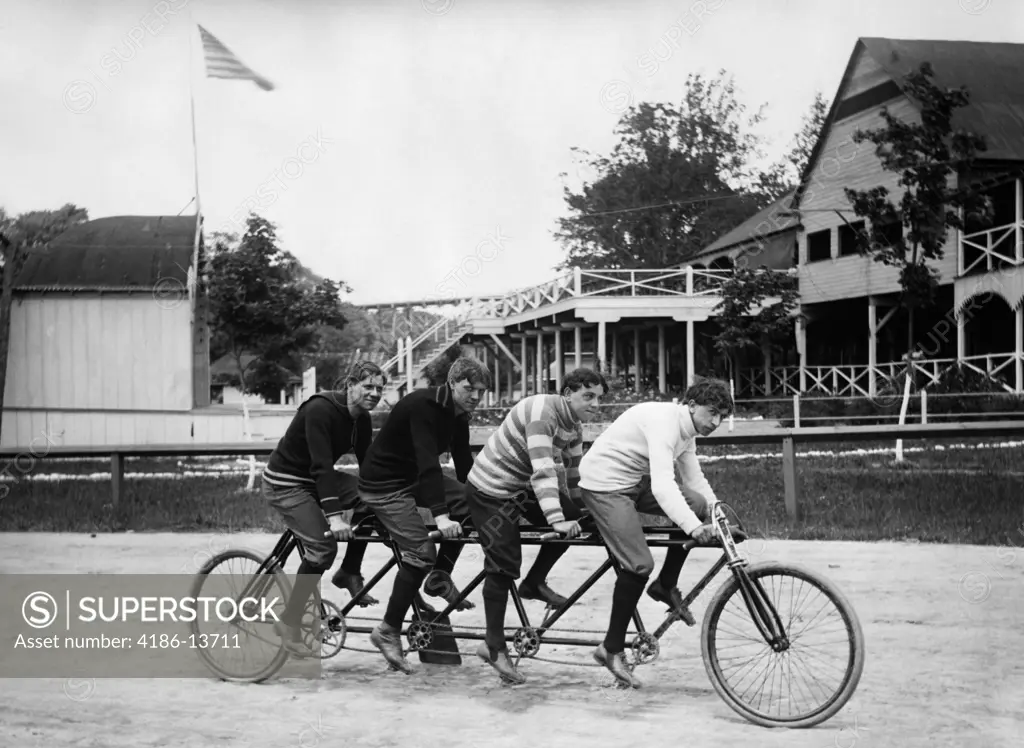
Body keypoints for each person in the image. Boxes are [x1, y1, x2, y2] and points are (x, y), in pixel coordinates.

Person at [577, 376, 734, 688]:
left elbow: (694, 479)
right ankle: (610, 649)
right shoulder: (665, 423)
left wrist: (717, 513)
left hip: (635, 482)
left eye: (722, 416)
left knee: (697, 503)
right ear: (691, 405)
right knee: (639, 564)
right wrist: (694, 527)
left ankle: (665, 584)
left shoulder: (687, 431)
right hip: (605, 486)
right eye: (711, 412)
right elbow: (663, 486)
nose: (715, 421)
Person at [464, 367, 608, 684]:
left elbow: (572, 476)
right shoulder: (543, 412)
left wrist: (586, 512)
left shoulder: (573, 423)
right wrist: (556, 519)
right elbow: (543, 471)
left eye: (598, 397)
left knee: (576, 521)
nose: (594, 403)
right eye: (588, 396)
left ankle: (533, 583)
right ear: (566, 393)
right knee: (503, 562)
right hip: (490, 490)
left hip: (521, 487)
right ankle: (493, 645)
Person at [357, 356, 489, 674]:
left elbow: (462, 463)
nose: (475, 396)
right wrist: (440, 517)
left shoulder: (459, 414)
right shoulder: (423, 406)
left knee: (472, 506)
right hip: (385, 486)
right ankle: (387, 630)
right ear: (452, 383)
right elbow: (429, 464)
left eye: (481, 391)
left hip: (413, 480)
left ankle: (439, 576)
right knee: (421, 551)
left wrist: (484, 496)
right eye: (469, 388)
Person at [261, 361, 387, 656]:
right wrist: (334, 518)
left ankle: (349, 572)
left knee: (372, 500)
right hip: (286, 482)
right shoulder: (321, 409)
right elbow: (320, 466)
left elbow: (368, 467)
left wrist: (392, 491)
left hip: (316, 478)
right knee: (323, 547)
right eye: (367, 386)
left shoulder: (362, 419)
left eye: (379, 388)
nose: (374, 393)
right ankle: (289, 621)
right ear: (349, 385)